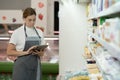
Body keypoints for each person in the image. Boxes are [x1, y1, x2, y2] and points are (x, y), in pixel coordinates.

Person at [7, 7, 45, 80]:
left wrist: (39, 53)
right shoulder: (17, 32)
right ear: (24, 19)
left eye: (34, 20)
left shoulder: (39, 32)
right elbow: (9, 51)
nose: (32, 22)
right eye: (29, 20)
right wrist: (26, 52)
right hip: (21, 67)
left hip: (35, 66)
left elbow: (42, 53)